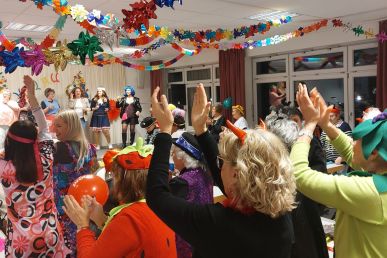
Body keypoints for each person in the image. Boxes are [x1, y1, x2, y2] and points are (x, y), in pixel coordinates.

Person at [146, 84, 296, 258]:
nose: (219, 166)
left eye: (222, 162)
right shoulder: (280, 215)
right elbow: (222, 177)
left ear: (237, 173)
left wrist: (164, 133)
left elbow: (157, 196)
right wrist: (201, 131)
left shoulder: (218, 223)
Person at [291, 84, 387, 258]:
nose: (352, 142)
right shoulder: (381, 170)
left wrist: (309, 125)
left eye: (357, 139)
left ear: (373, 152)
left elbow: (299, 175)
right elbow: (353, 154)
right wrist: (325, 124)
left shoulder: (369, 192)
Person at [62, 138, 177, 258]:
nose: (113, 181)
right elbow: (127, 239)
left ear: (125, 181)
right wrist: (101, 219)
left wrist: (82, 226)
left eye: (115, 175)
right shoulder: (159, 206)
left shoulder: (130, 217)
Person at [0, 75, 70, 257]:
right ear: (36, 140)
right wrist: (31, 94)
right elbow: (43, 127)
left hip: (21, 241)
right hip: (51, 233)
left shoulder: (3, 168)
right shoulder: (47, 157)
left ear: (9, 141)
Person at [265, 108, 328, 258]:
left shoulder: (310, 141)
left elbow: (320, 166)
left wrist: (304, 176)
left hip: (305, 197)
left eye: (296, 121)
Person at [52, 109, 98, 257]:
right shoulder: (90, 148)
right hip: (86, 204)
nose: (54, 129)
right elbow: (94, 171)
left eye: (58, 126)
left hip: (65, 207)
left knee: (68, 244)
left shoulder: (59, 148)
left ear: (70, 126)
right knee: (84, 238)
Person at [169, 132, 213, 258]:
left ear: (183, 157)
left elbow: (168, 211)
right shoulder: (204, 174)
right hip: (203, 236)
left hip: (186, 243)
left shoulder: (181, 182)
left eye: (174, 153)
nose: (172, 155)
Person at [0, 89, 20, 154]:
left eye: (8, 93)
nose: (6, 93)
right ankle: (1, 152)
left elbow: (17, 109)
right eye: (5, 92)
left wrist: (7, 102)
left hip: (11, 124)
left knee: (11, 138)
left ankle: (12, 152)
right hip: (1, 123)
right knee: (1, 138)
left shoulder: (12, 102)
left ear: (10, 95)